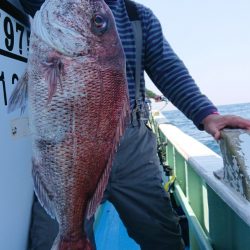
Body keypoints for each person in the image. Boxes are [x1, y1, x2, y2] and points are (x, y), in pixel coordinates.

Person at [19, 0, 250, 249]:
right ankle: (71, 233)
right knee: (50, 237)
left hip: (133, 148)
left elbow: (167, 68)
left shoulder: (137, 16)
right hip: (68, 147)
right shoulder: (57, 6)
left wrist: (206, 114)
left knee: (162, 234)